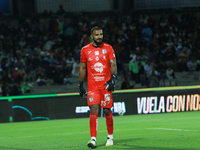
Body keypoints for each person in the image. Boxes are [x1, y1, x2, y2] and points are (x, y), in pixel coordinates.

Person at [78, 26, 117, 149]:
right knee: (93, 110)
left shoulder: (108, 48)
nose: (99, 37)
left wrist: (113, 78)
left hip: (105, 86)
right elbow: (83, 68)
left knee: (106, 111)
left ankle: (110, 136)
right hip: (93, 87)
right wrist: (80, 84)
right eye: (97, 35)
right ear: (92, 36)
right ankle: (93, 139)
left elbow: (113, 64)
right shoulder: (85, 50)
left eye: (101, 34)